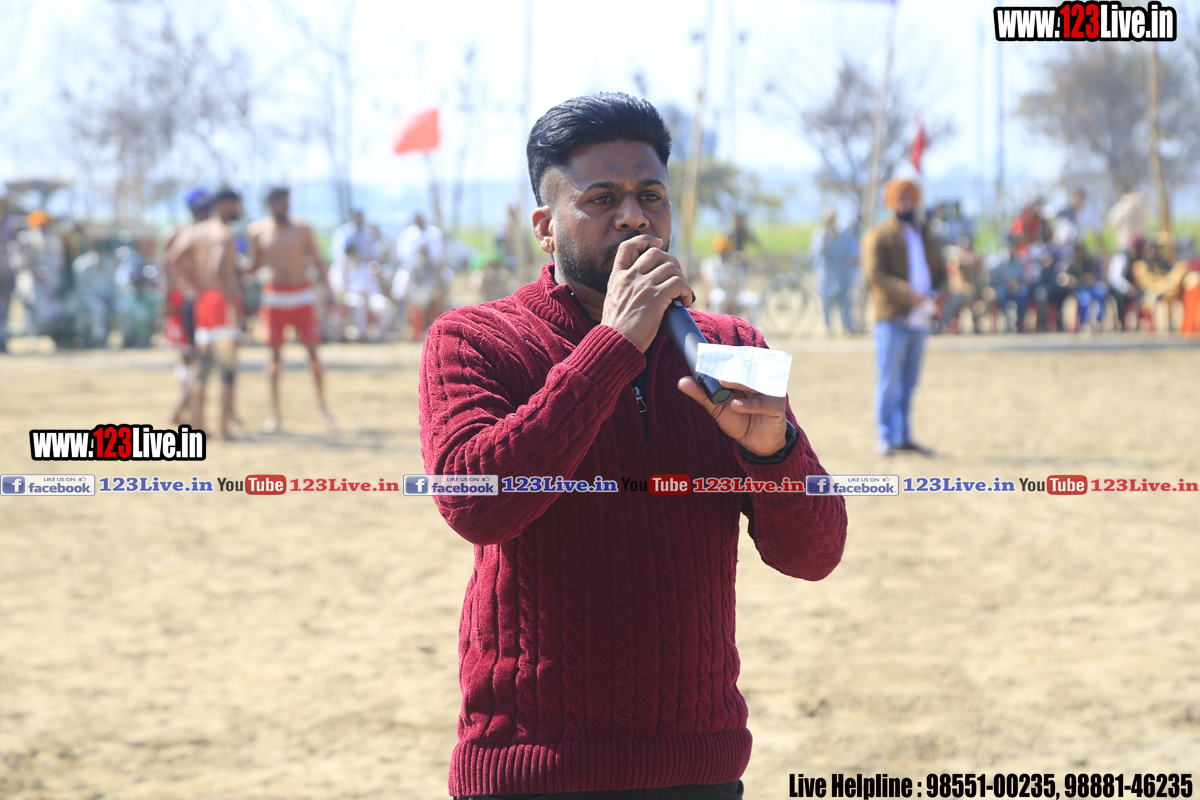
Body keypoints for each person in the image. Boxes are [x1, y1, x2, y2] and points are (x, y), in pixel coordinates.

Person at [419, 92, 847, 799]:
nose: (633, 217)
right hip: (533, 771)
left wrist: (776, 453)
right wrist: (614, 345)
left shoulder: (730, 345)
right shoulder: (473, 339)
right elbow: (476, 502)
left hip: (699, 769)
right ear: (545, 228)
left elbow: (815, 553)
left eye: (650, 195)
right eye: (601, 199)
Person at [862, 178, 946, 456]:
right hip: (893, 317)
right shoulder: (880, 235)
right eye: (901, 199)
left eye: (910, 199)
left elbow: (941, 271)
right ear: (892, 203)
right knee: (888, 381)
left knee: (909, 382)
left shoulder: (927, 235)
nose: (906, 204)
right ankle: (886, 437)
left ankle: (903, 435)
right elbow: (875, 273)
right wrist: (908, 293)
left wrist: (940, 293)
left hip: (921, 318)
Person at [246, 186, 333, 432]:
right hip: (275, 298)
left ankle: (322, 406)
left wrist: (329, 291)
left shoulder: (302, 228)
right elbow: (254, 264)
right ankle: (275, 415)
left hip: (302, 295)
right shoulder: (258, 231)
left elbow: (317, 260)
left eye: (286, 202)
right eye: (278, 203)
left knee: (314, 354)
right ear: (270, 205)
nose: (283, 207)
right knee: (274, 358)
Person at [165, 188, 244, 439]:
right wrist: (230, 303)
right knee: (226, 368)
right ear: (223, 205)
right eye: (236, 205)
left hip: (201, 302)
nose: (239, 210)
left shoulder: (194, 232)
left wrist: (197, 287)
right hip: (221, 301)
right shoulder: (222, 233)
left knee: (200, 365)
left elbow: (172, 259)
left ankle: (198, 427)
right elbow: (216, 269)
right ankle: (223, 429)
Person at [161, 189, 211, 425]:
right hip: (182, 300)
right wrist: (166, 300)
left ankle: (184, 411)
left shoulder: (207, 233)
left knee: (196, 358)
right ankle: (185, 411)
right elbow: (167, 268)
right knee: (191, 358)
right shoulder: (176, 233)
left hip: (199, 299)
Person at [811, 210, 860, 334]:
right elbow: (819, 252)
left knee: (845, 301)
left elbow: (851, 251)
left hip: (842, 274)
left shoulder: (843, 234)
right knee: (826, 301)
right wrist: (826, 234)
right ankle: (827, 327)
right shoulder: (820, 234)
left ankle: (847, 326)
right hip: (826, 274)